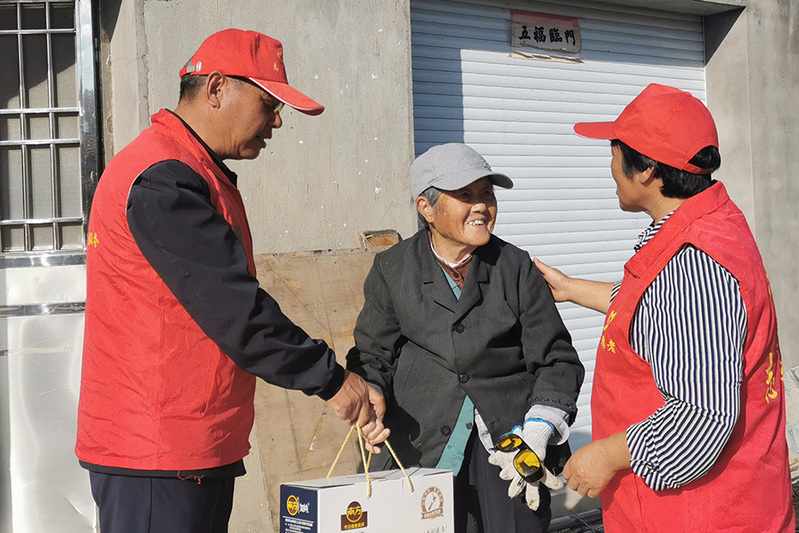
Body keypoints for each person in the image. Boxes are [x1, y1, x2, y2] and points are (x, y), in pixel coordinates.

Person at [75, 29, 387, 533]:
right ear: (217, 88)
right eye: (269, 104)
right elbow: (236, 311)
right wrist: (332, 381)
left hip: (189, 446)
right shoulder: (163, 178)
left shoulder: (191, 169)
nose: (277, 121)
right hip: (158, 452)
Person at [534, 84, 794, 532]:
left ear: (647, 170)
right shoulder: (712, 224)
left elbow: (701, 418)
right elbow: (658, 312)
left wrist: (604, 455)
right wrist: (570, 289)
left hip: (701, 515)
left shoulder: (694, 264)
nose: (610, 167)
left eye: (614, 153)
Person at [346, 143, 584, 533]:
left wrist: (539, 428)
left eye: (486, 193)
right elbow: (373, 354)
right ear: (426, 208)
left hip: (511, 444)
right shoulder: (393, 268)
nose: (481, 206)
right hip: (423, 442)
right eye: (465, 195)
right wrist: (369, 394)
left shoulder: (515, 266)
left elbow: (557, 359)